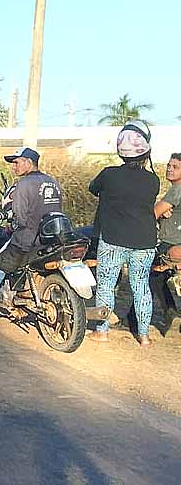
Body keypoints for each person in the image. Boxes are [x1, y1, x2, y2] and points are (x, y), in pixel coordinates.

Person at [0, 147, 63, 333]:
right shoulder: (52, 182)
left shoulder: (24, 184)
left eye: (17, 162)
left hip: (26, 240)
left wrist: (10, 225)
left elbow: (20, 218)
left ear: (28, 163)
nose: (13, 166)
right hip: (50, 239)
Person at [87, 122, 159, 345]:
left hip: (113, 240)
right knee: (141, 286)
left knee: (106, 285)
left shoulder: (108, 175)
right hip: (145, 242)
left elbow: (92, 188)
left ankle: (102, 331)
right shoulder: (153, 180)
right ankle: (144, 336)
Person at [155, 153, 181, 263]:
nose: (170, 169)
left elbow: (152, 214)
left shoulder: (177, 190)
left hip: (171, 245)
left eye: (175, 167)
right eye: (169, 166)